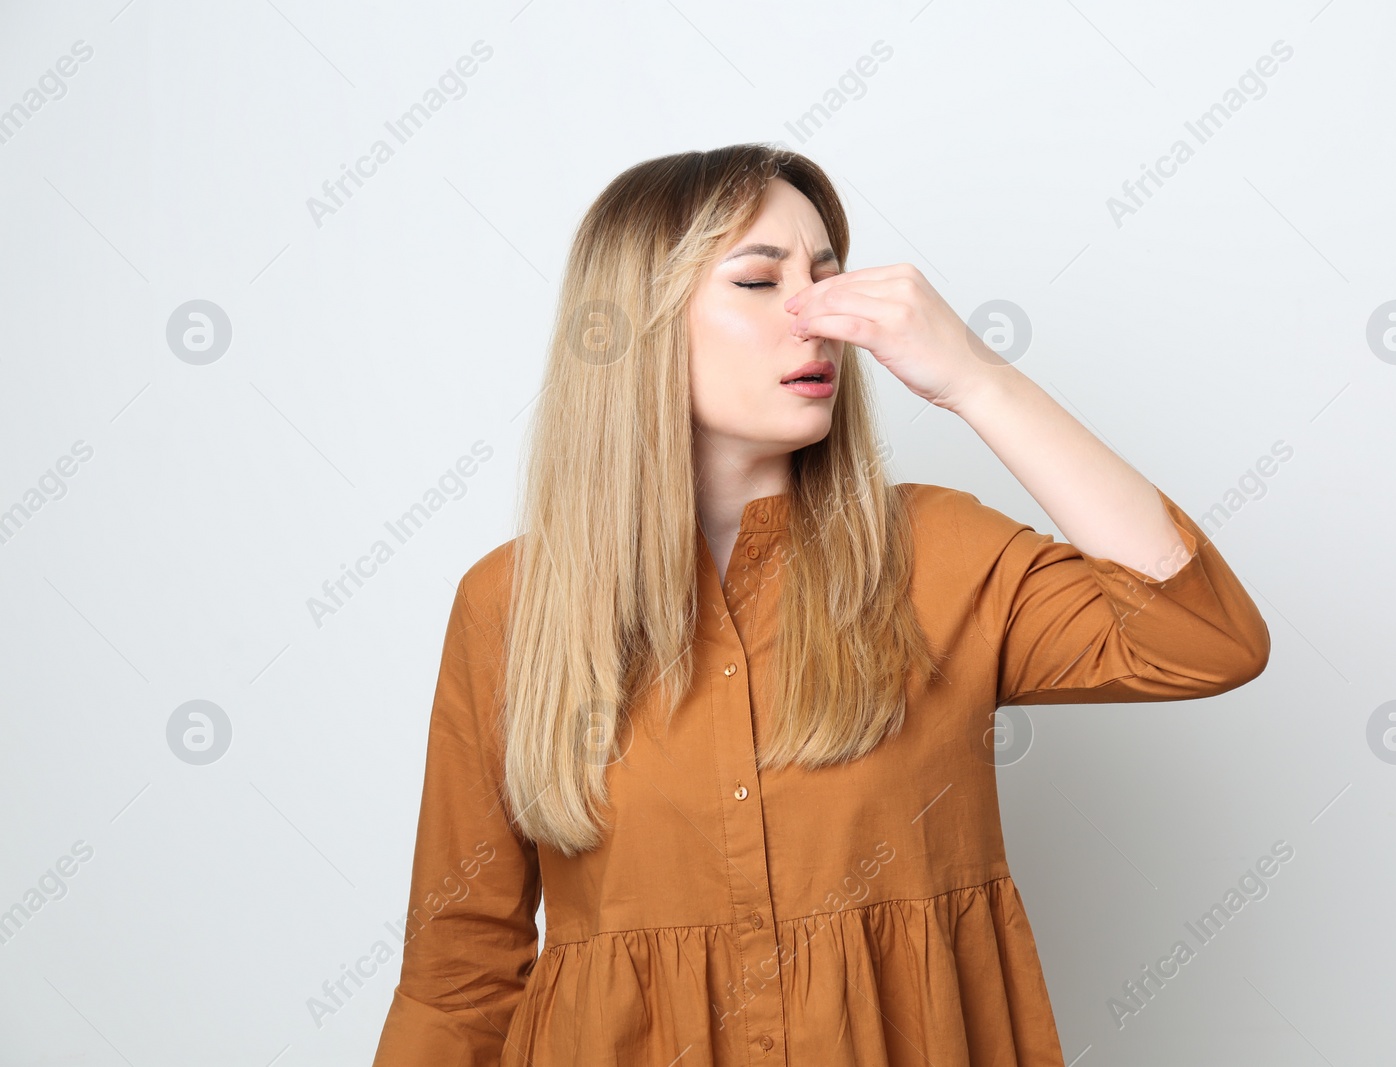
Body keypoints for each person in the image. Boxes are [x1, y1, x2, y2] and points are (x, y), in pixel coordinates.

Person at [371, 143, 1270, 1066]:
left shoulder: (936, 555)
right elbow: (459, 972)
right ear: (636, 322)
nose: (817, 318)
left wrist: (976, 379)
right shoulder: (511, 606)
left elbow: (1202, 638)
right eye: (760, 282)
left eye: (827, 278)